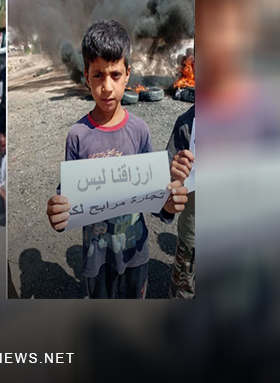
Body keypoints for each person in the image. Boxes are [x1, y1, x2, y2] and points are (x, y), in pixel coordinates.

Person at [45, 19, 189, 299]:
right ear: (86, 76)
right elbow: (68, 199)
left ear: (128, 75)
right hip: (95, 260)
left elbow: (158, 198)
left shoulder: (140, 131)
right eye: (98, 75)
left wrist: (170, 204)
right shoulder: (77, 136)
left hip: (136, 254)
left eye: (114, 74)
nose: (107, 87)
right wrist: (57, 212)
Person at [165, 107, 195, 299]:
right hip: (193, 235)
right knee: (184, 290)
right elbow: (166, 188)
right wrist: (174, 173)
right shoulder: (187, 123)